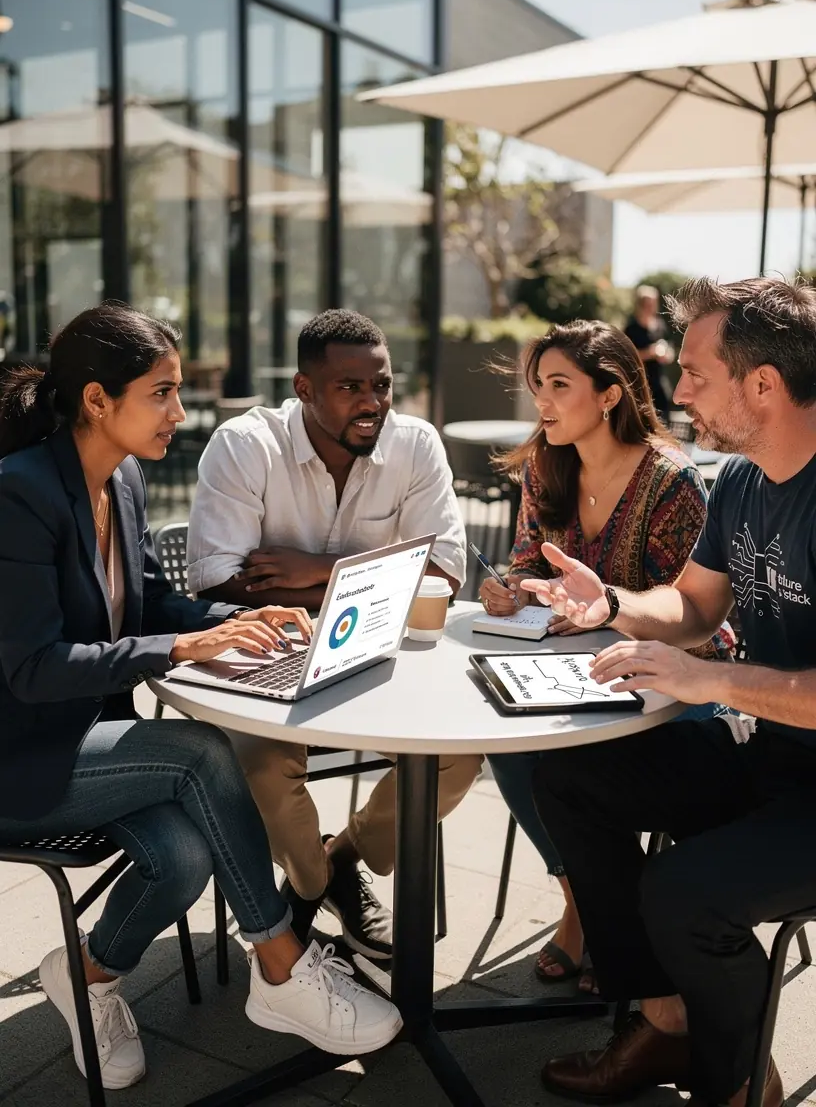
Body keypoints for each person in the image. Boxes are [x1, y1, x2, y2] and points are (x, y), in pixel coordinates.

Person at [0, 303, 402, 1092]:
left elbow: (154, 607)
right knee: (202, 754)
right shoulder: (19, 496)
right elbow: (32, 668)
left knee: (181, 858)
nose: (179, 413)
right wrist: (182, 648)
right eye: (162, 393)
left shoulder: (123, 478)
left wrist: (247, 621)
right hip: (22, 761)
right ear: (96, 400)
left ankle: (86, 976)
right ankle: (281, 965)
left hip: (98, 747)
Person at [520, 276, 816, 1107]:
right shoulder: (744, 480)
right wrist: (612, 605)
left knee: (683, 893)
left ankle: (741, 1084)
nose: (673, 388)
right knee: (572, 775)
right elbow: (693, 604)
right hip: (775, 749)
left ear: (763, 384)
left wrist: (710, 677)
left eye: (693, 372)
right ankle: (664, 1020)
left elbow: (708, 655)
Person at [187, 309, 478, 960]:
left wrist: (315, 571)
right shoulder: (245, 447)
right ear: (303, 388)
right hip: (269, 654)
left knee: (461, 755)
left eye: (382, 385)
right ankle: (314, 886)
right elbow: (219, 585)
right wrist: (383, 582)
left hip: (380, 655)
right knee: (263, 765)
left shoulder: (415, 444)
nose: (372, 402)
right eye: (350, 388)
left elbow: (443, 576)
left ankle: (345, 856)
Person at [479, 319, 732, 994]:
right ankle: (581, 902)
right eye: (538, 387)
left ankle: (611, 915)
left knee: (568, 763)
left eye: (559, 385)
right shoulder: (545, 463)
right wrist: (510, 592)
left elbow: (697, 617)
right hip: (572, 675)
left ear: (611, 394)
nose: (543, 402)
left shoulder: (671, 480)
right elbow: (530, 564)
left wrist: (608, 612)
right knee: (507, 741)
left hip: (671, 686)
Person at [625, 284, 675, 420]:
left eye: (653, 303)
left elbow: (670, 350)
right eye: (647, 303)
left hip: (659, 382)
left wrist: (666, 354)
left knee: (664, 420)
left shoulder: (660, 325)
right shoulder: (631, 328)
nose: (650, 307)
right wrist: (649, 353)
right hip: (639, 385)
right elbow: (626, 357)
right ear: (640, 304)